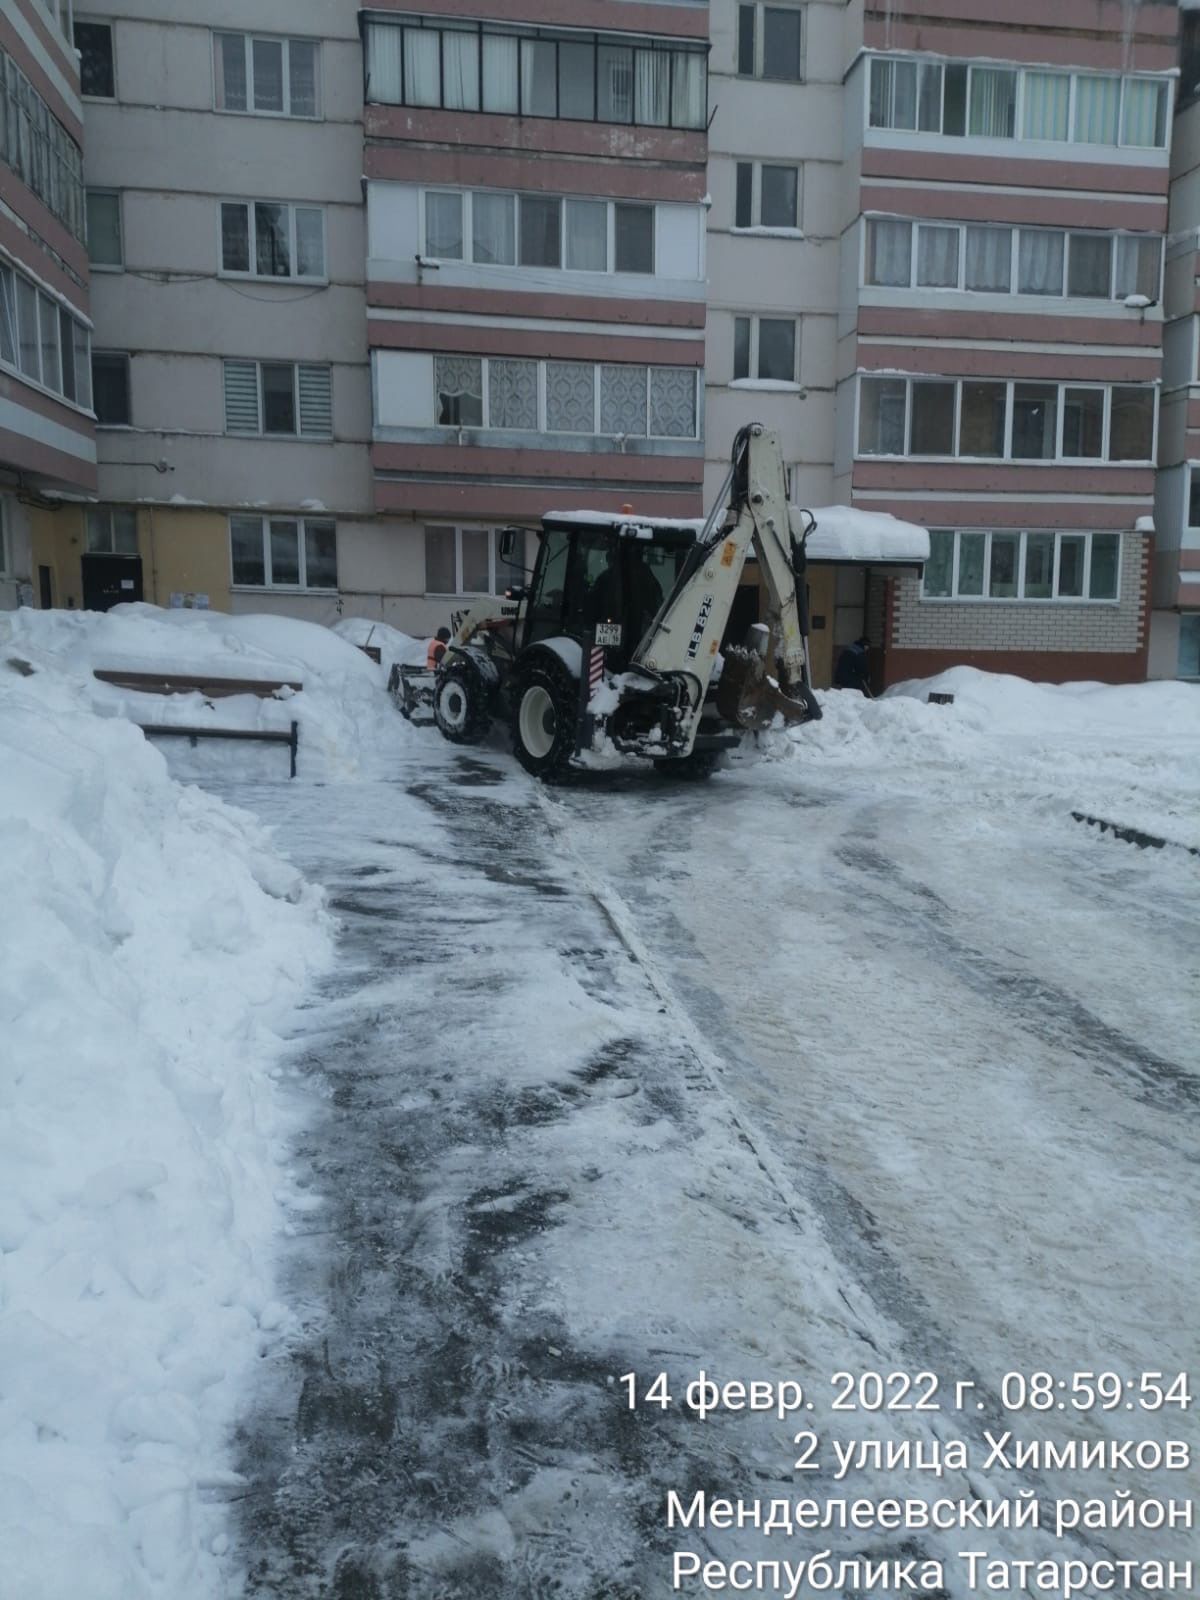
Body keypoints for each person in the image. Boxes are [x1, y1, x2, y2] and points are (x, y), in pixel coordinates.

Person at [586, 544, 664, 646]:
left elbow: (591, 607)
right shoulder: (647, 576)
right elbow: (657, 605)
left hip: (632, 632)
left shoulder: (606, 578)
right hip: (628, 633)